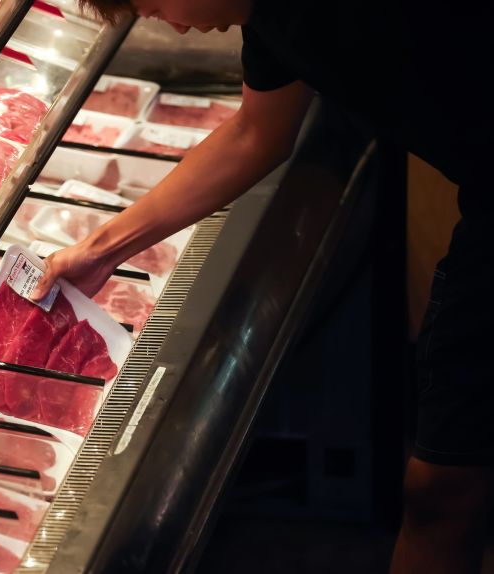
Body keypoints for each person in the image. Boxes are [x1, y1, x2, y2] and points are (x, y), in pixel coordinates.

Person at [29, 1, 494, 572]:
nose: (173, 28)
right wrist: (100, 251)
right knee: (443, 487)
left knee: (445, 492)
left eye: (155, 4)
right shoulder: (267, 19)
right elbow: (257, 134)